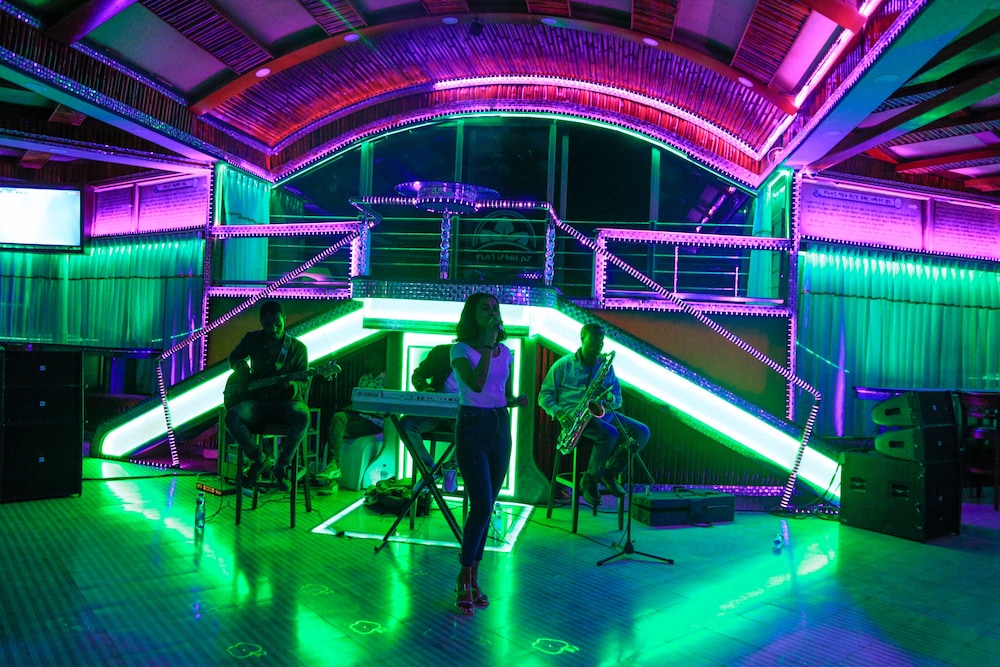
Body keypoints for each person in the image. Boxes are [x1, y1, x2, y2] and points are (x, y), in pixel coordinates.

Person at [450, 292, 527, 616]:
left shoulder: (505, 352)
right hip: (471, 426)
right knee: (481, 505)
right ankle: (464, 575)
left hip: (500, 426)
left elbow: (500, 393)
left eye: (496, 308)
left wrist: (515, 401)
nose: (493, 312)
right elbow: (477, 385)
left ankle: (474, 576)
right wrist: (486, 344)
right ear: (473, 315)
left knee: (487, 506)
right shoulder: (460, 350)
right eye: (486, 308)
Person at [538, 322, 650, 507]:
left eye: (601, 341)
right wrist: (559, 413)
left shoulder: (606, 367)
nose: (599, 344)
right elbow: (544, 395)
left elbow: (618, 399)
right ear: (582, 339)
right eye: (594, 340)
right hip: (574, 417)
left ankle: (609, 471)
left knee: (642, 431)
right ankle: (590, 479)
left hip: (602, 413)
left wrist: (609, 396)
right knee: (610, 433)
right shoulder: (563, 364)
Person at [224, 300, 311, 491]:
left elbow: (304, 382)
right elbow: (234, 357)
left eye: (278, 324)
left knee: (303, 415)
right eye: (268, 325)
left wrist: (293, 387)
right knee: (232, 416)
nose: (273, 329)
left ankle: (281, 467)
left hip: (287, 403)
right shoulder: (251, 339)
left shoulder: (298, 348)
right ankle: (260, 459)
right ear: (261, 322)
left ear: (284, 319)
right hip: (258, 401)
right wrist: (241, 367)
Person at [400, 343, 458, 469]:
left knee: (473, 430)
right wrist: (424, 388)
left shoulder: (483, 357)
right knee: (406, 425)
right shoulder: (441, 352)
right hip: (435, 411)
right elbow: (418, 375)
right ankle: (429, 470)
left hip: (462, 414)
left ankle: (450, 470)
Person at [325, 359, 386, 479]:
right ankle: (333, 463)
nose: (366, 361)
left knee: (336, 432)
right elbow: (358, 400)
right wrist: (354, 407)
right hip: (359, 415)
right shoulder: (364, 378)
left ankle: (333, 468)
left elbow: (384, 408)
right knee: (338, 417)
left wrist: (364, 408)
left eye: (370, 357)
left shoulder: (388, 379)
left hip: (375, 421)